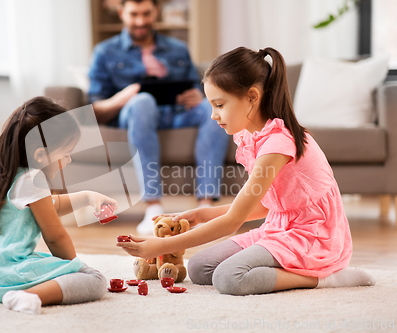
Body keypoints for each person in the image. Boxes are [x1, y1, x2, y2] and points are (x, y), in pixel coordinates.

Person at [117, 47, 376, 295]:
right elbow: (263, 206)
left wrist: (163, 245)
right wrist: (199, 214)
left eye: (219, 105)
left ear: (252, 97)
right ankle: (280, 264)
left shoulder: (277, 144)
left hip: (312, 234)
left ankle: (326, 278)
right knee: (199, 268)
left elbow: (233, 221)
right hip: (279, 225)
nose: (212, 116)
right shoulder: (251, 137)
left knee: (229, 277)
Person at [88, 0, 229, 234]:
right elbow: (95, 108)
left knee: (210, 107)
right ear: (122, 12)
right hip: (136, 113)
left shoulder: (178, 48)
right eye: (134, 14)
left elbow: (198, 86)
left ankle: (205, 206)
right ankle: (153, 206)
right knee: (143, 101)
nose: (141, 21)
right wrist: (123, 98)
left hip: (176, 113)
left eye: (146, 13)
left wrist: (199, 94)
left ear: (156, 12)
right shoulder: (105, 52)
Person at [0, 97, 117, 314]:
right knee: (95, 280)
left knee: (42, 259)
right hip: (4, 281)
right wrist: (75, 268)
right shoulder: (33, 179)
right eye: (65, 154)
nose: (69, 160)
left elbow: (50, 205)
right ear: (40, 155)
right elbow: (55, 237)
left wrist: (86, 197)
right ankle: (27, 296)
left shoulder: (4, 175)